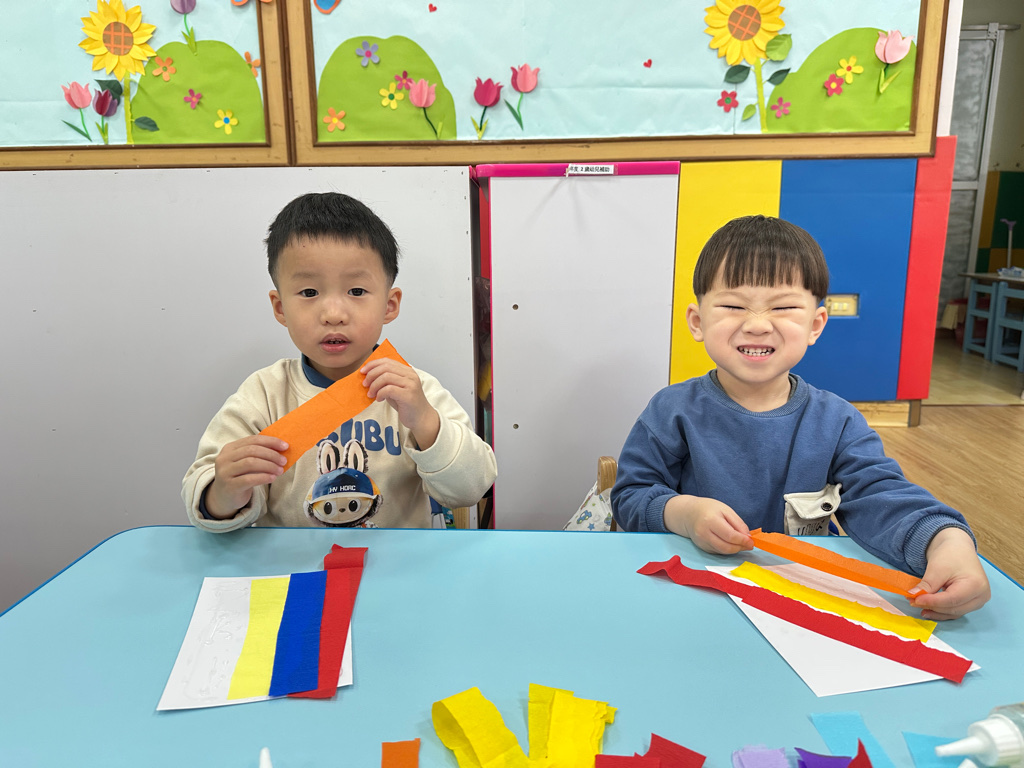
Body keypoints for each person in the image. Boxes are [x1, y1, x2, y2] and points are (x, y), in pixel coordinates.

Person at [612, 215, 990, 620]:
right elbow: (630, 495)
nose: (757, 325)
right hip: (693, 591)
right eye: (734, 306)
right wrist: (684, 514)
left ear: (815, 325)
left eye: (784, 307)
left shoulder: (837, 422)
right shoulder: (671, 410)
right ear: (698, 321)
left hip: (799, 606)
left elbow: (880, 495)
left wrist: (946, 542)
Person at [183, 192, 497, 531]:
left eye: (357, 291)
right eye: (309, 292)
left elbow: (472, 487)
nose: (333, 314)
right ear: (280, 308)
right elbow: (204, 496)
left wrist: (424, 420)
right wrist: (224, 492)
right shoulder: (264, 393)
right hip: (295, 562)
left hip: (395, 560)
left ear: (389, 305)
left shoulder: (414, 391)